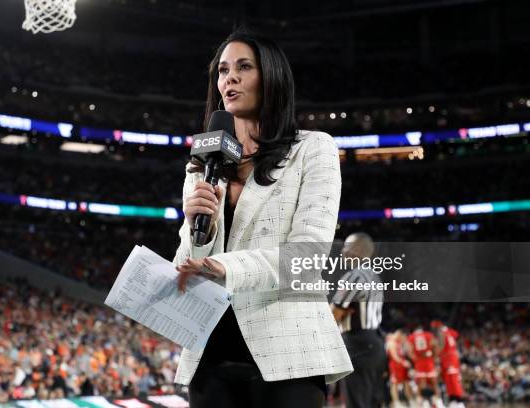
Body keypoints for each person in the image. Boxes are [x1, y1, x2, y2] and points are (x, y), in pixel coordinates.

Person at [171, 29, 353, 408]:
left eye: (243, 67)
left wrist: (220, 265)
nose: (229, 78)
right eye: (222, 70)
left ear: (271, 78)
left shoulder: (313, 149)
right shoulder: (202, 166)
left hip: (288, 357)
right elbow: (188, 261)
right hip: (210, 358)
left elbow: (308, 257)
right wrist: (198, 231)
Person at [330, 232, 387, 408]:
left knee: (357, 403)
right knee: (373, 402)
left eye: (346, 247)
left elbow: (332, 316)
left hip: (358, 344)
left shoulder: (354, 276)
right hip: (376, 343)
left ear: (357, 250)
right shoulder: (375, 278)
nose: (342, 253)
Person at [407, 325, 444, 408]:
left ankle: (421, 403)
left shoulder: (411, 337)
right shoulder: (428, 334)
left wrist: (416, 359)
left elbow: (409, 351)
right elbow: (435, 345)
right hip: (429, 361)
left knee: (420, 384)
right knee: (434, 383)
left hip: (419, 362)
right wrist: (433, 357)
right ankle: (438, 402)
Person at [431, 320, 465, 407]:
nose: (433, 330)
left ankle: (458, 401)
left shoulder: (441, 332)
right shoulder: (449, 331)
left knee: (451, 380)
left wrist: (435, 354)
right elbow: (457, 337)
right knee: (451, 380)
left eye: (434, 328)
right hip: (453, 357)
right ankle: (453, 400)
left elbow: (441, 345)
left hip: (448, 358)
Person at [386, 329, 415, 407]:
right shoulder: (391, 342)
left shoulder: (400, 342)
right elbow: (394, 356)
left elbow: (405, 352)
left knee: (407, 383)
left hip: (402, 365)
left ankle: (411, 400)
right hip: (395, 366)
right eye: (403, 337)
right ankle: (396, 402)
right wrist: (403, 362)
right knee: (394, 384)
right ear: (400, 334)